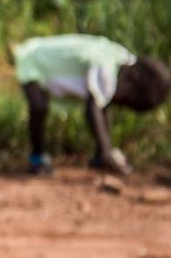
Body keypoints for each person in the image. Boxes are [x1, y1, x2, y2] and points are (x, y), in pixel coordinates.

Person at [13, 34, 170, 176]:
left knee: (100, 105)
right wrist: (106, 153)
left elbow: (102, 104)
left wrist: (107, 149)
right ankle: (37, 158)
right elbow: (93, 109)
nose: (123, 103)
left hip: (41, 53)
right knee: (39, 106)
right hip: (34, 61)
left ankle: (101, 154)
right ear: (133, 78)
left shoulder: (121, 58)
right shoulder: (107, 69)